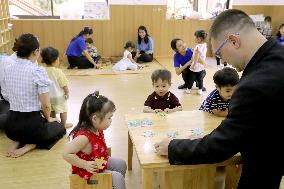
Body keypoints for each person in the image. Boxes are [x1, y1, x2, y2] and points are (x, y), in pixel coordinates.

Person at [154, 9, 284, 189]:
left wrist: (173, 147)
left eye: (220, 54)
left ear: (233, 41)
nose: (224, 62)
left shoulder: (253, 85)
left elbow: (221, 146)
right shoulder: (278, 54)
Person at [1, 33, 66, 158]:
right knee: (60, 127)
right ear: (36, 51)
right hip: (32, 127)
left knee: (23, 128)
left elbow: (7, 95)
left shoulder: (8, 69)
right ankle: (32, 144)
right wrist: (49, 118)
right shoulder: (37, 71)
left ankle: (18, 140)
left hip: (10, 126)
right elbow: (46, 105)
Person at [62, 91, 127, 189]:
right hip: (88, 172)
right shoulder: (83, 138)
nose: (111, 120)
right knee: (118, 178)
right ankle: (114, 184)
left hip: (99, 162)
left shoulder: (96, 127)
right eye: (109, 118)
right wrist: (84, 164)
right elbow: (65, 154)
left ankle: (110, 186)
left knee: (121, 164)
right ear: (95, 119)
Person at [41, 47, 73, 129]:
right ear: (56, 60)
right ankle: (63, 124)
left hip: (47, 97)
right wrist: (67, 92)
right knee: (63, 110)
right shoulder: (58, 72)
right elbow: (64, 85)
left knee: (51, 110)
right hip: (59, 97)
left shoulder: (42, 71)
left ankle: (52, 123)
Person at [185, 30, 207, 95]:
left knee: (191, 79)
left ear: (199, 38)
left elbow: (196, 56)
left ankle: (188, 89)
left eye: (195, 37)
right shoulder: (204, 45)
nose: (194, 39)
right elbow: (200, 53)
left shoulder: (198, 46)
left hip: (196, 65)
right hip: (201, 66)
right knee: (200, 79)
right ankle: (200, 89)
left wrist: (194, 65)